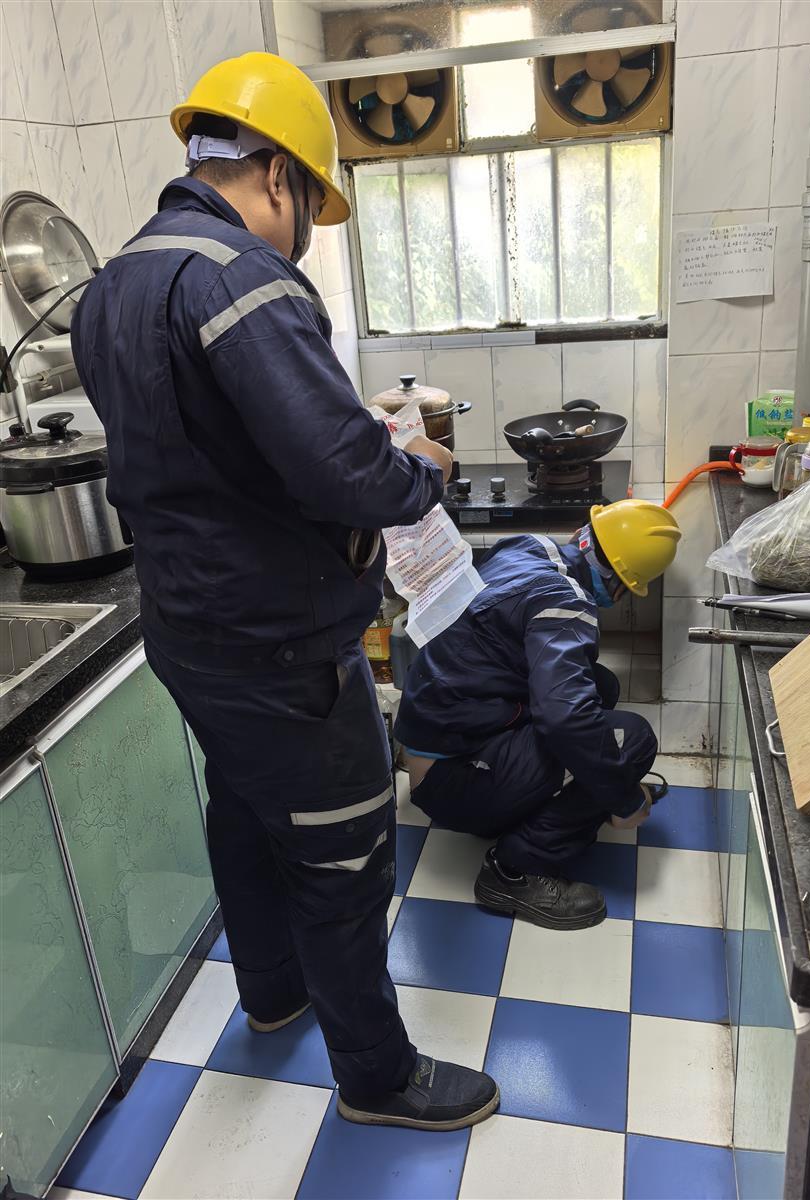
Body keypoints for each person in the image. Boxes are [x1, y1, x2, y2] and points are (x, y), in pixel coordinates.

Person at [71, 52, 499, 1132]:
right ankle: (377, 1077)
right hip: (282, 645)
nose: (305, 230)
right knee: (345, 849)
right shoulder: (243, 280)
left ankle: (271, 994)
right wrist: (417, 470)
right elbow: (343, 470)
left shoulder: (113, 284)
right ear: (275, 174)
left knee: (248, 816)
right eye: (310, 202)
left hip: (189, 630)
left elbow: (219, 450)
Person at [395, 500, 682, 930]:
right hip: (451, 777)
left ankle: (515, 802)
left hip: (434, 742)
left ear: (583, 533)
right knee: (632, 739)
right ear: (622, 586)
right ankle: (515, 870)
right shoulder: (565, 603)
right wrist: (623, 799)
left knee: (600, 685)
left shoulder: (526, 547)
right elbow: (566, 720)